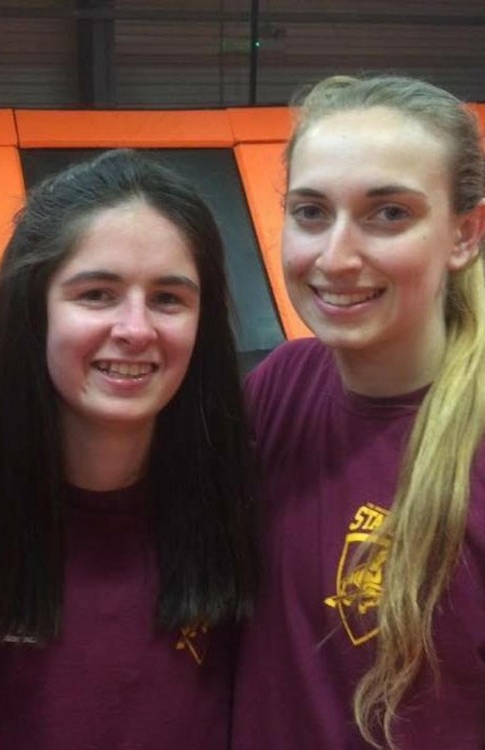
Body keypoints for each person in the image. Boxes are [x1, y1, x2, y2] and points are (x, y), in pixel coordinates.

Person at [0, 148, 258, 748]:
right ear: (35, 309)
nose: (135, 329)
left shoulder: (238, 489)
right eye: (97, 294)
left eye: (168, 298)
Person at [231, 75, 485, 749]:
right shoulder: (278, 389)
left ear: (464, 235)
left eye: (389, 214)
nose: (336, 257)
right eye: (312, 213)